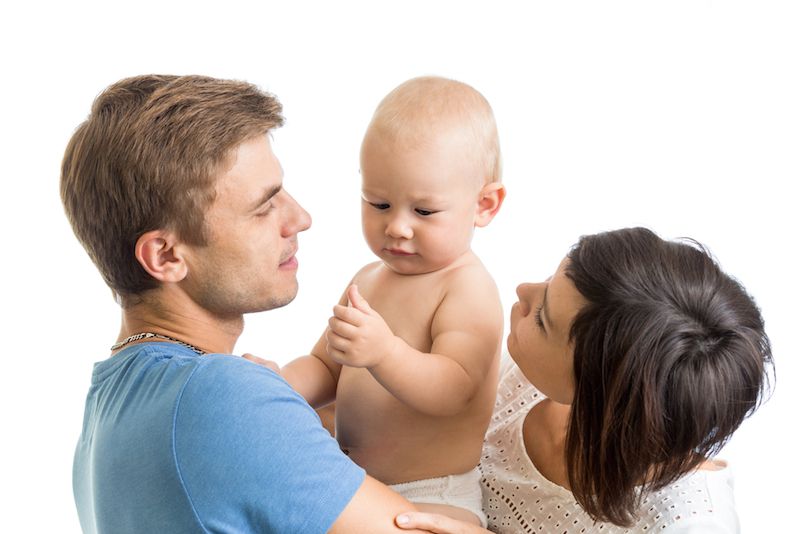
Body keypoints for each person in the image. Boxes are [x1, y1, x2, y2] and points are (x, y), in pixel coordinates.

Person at [62, 74, 430, 534]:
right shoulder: (219, 395)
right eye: (264, 207)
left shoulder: (107, 410)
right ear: (166, 256)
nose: (300, 219)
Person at [395, 227, 773, 533]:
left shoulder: (690, 521)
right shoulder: (518, 378)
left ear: (600, 398)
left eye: (542, 319)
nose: (522, 291)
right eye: (548, 280)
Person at [280, 76, 506, 526]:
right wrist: (276, 387)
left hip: (433, 491)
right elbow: (326, 366)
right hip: (354, 482)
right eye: (378, 204)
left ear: (484, 204)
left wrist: (385, 353)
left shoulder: (466, 288)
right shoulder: (368, 278)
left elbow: (455, 389)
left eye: (423, 211)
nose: (397, 227)